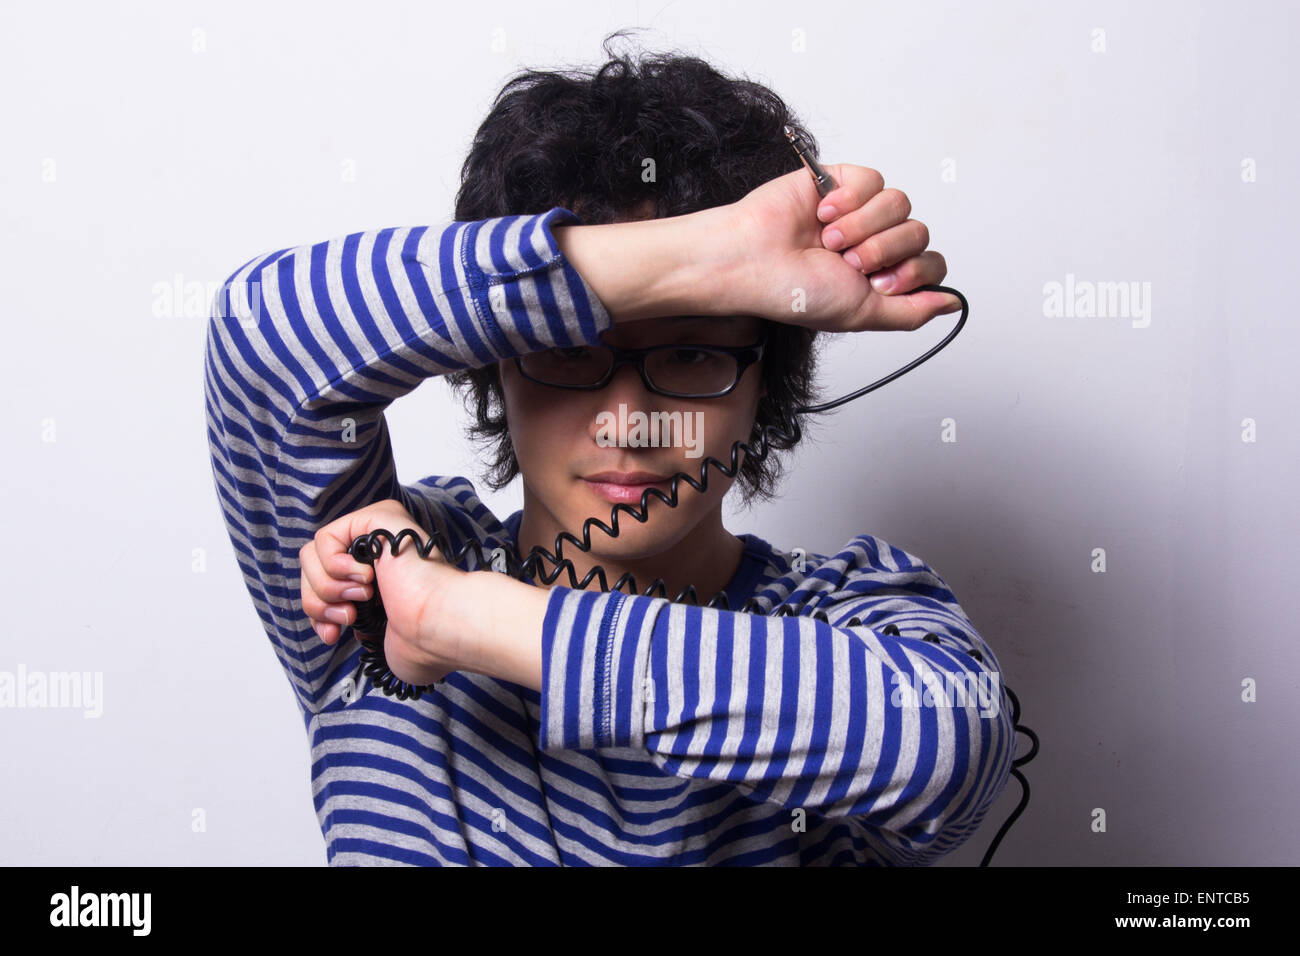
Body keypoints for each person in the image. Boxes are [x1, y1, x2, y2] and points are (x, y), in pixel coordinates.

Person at [204, 36, 1016, 865]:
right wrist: (709, 256)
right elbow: (257, 330)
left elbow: (948, 747)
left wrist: (463, 620)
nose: (627, 423)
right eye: (565, 352)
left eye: (693, 353)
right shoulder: (367, 579)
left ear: (761, 385)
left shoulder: (845, 614)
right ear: (494, 364)